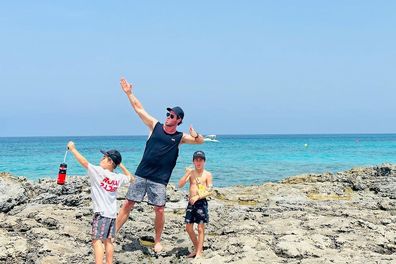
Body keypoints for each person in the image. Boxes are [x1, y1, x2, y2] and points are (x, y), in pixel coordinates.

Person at [116, 77, 204, 253]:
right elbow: (139, 109)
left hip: (160, 180)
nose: (168, 117)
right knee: (128, 204)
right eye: (167, 114)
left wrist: (196, 134)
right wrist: (129, 93)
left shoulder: (180, 138)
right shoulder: (154, 126)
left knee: (160, 210)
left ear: (178, 120)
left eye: (171, 116)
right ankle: (112, 233)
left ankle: (157, 241)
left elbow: (200, 142)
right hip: (141, 174)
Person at [67, 141, 134, 264]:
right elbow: (131, 178)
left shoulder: (99, 171)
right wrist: (121, 165)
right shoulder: (118, 177)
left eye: (104, 158)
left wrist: (73, 149)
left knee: (96, 240)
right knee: (108, 241)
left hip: (101, 213)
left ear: (110, 162)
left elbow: (84, 162)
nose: (101, 159)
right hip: (112, 214)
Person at [178, 151, 213, 258]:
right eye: (196, 160)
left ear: (204, 161)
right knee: (188, 228)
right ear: (193, 161)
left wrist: (197, 197)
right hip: (191, 203)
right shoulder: (191, 173)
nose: (198, 162)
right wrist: (187, 173)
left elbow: (210, 190)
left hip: (201, 202)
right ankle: (198, 248)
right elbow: (180, 185)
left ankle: (198, 252)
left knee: (200, 228)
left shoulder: (207, 174)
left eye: (201, 160)